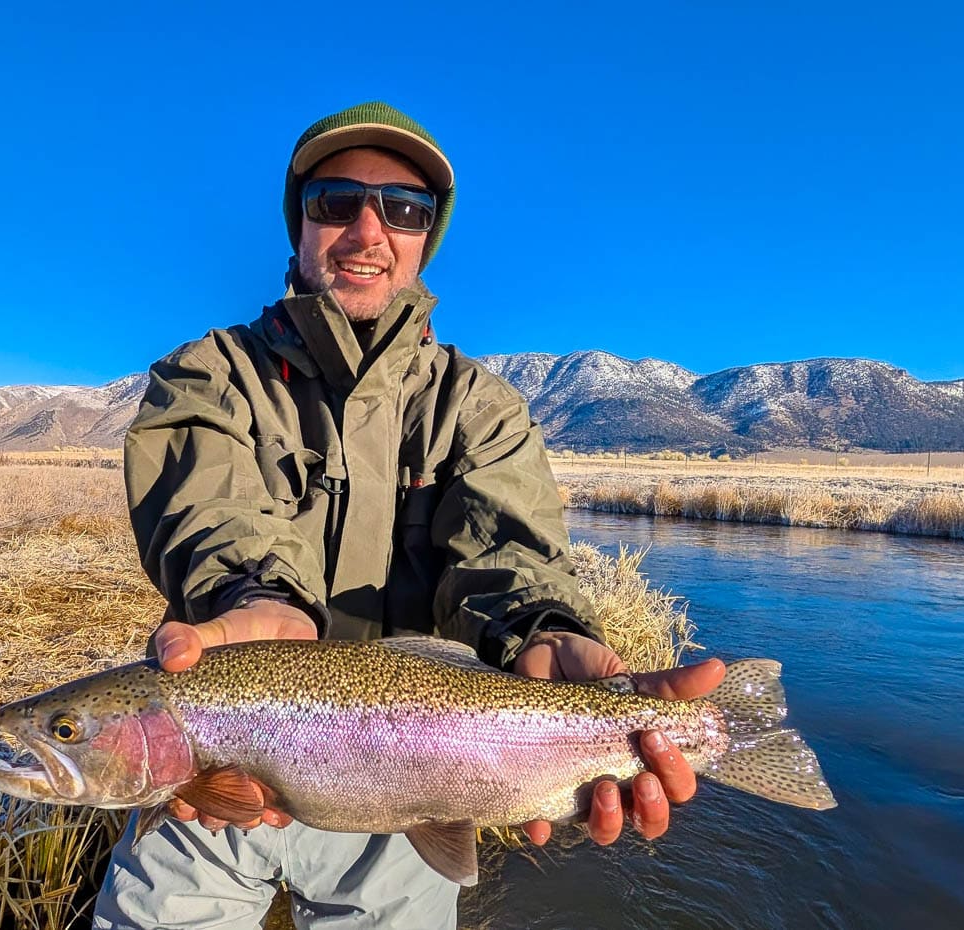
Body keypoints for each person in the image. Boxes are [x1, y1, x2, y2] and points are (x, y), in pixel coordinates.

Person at [93, 101, 726, 930]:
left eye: (403, 208)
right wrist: (251, 598)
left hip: (418, 788)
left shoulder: (479, 408)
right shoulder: (210, 375)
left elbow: (511, 552)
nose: (367, 229)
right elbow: (209, 508)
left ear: (426, 237)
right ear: (299, 226)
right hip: (206, 784)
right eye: (335, 200)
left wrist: (541, 629)